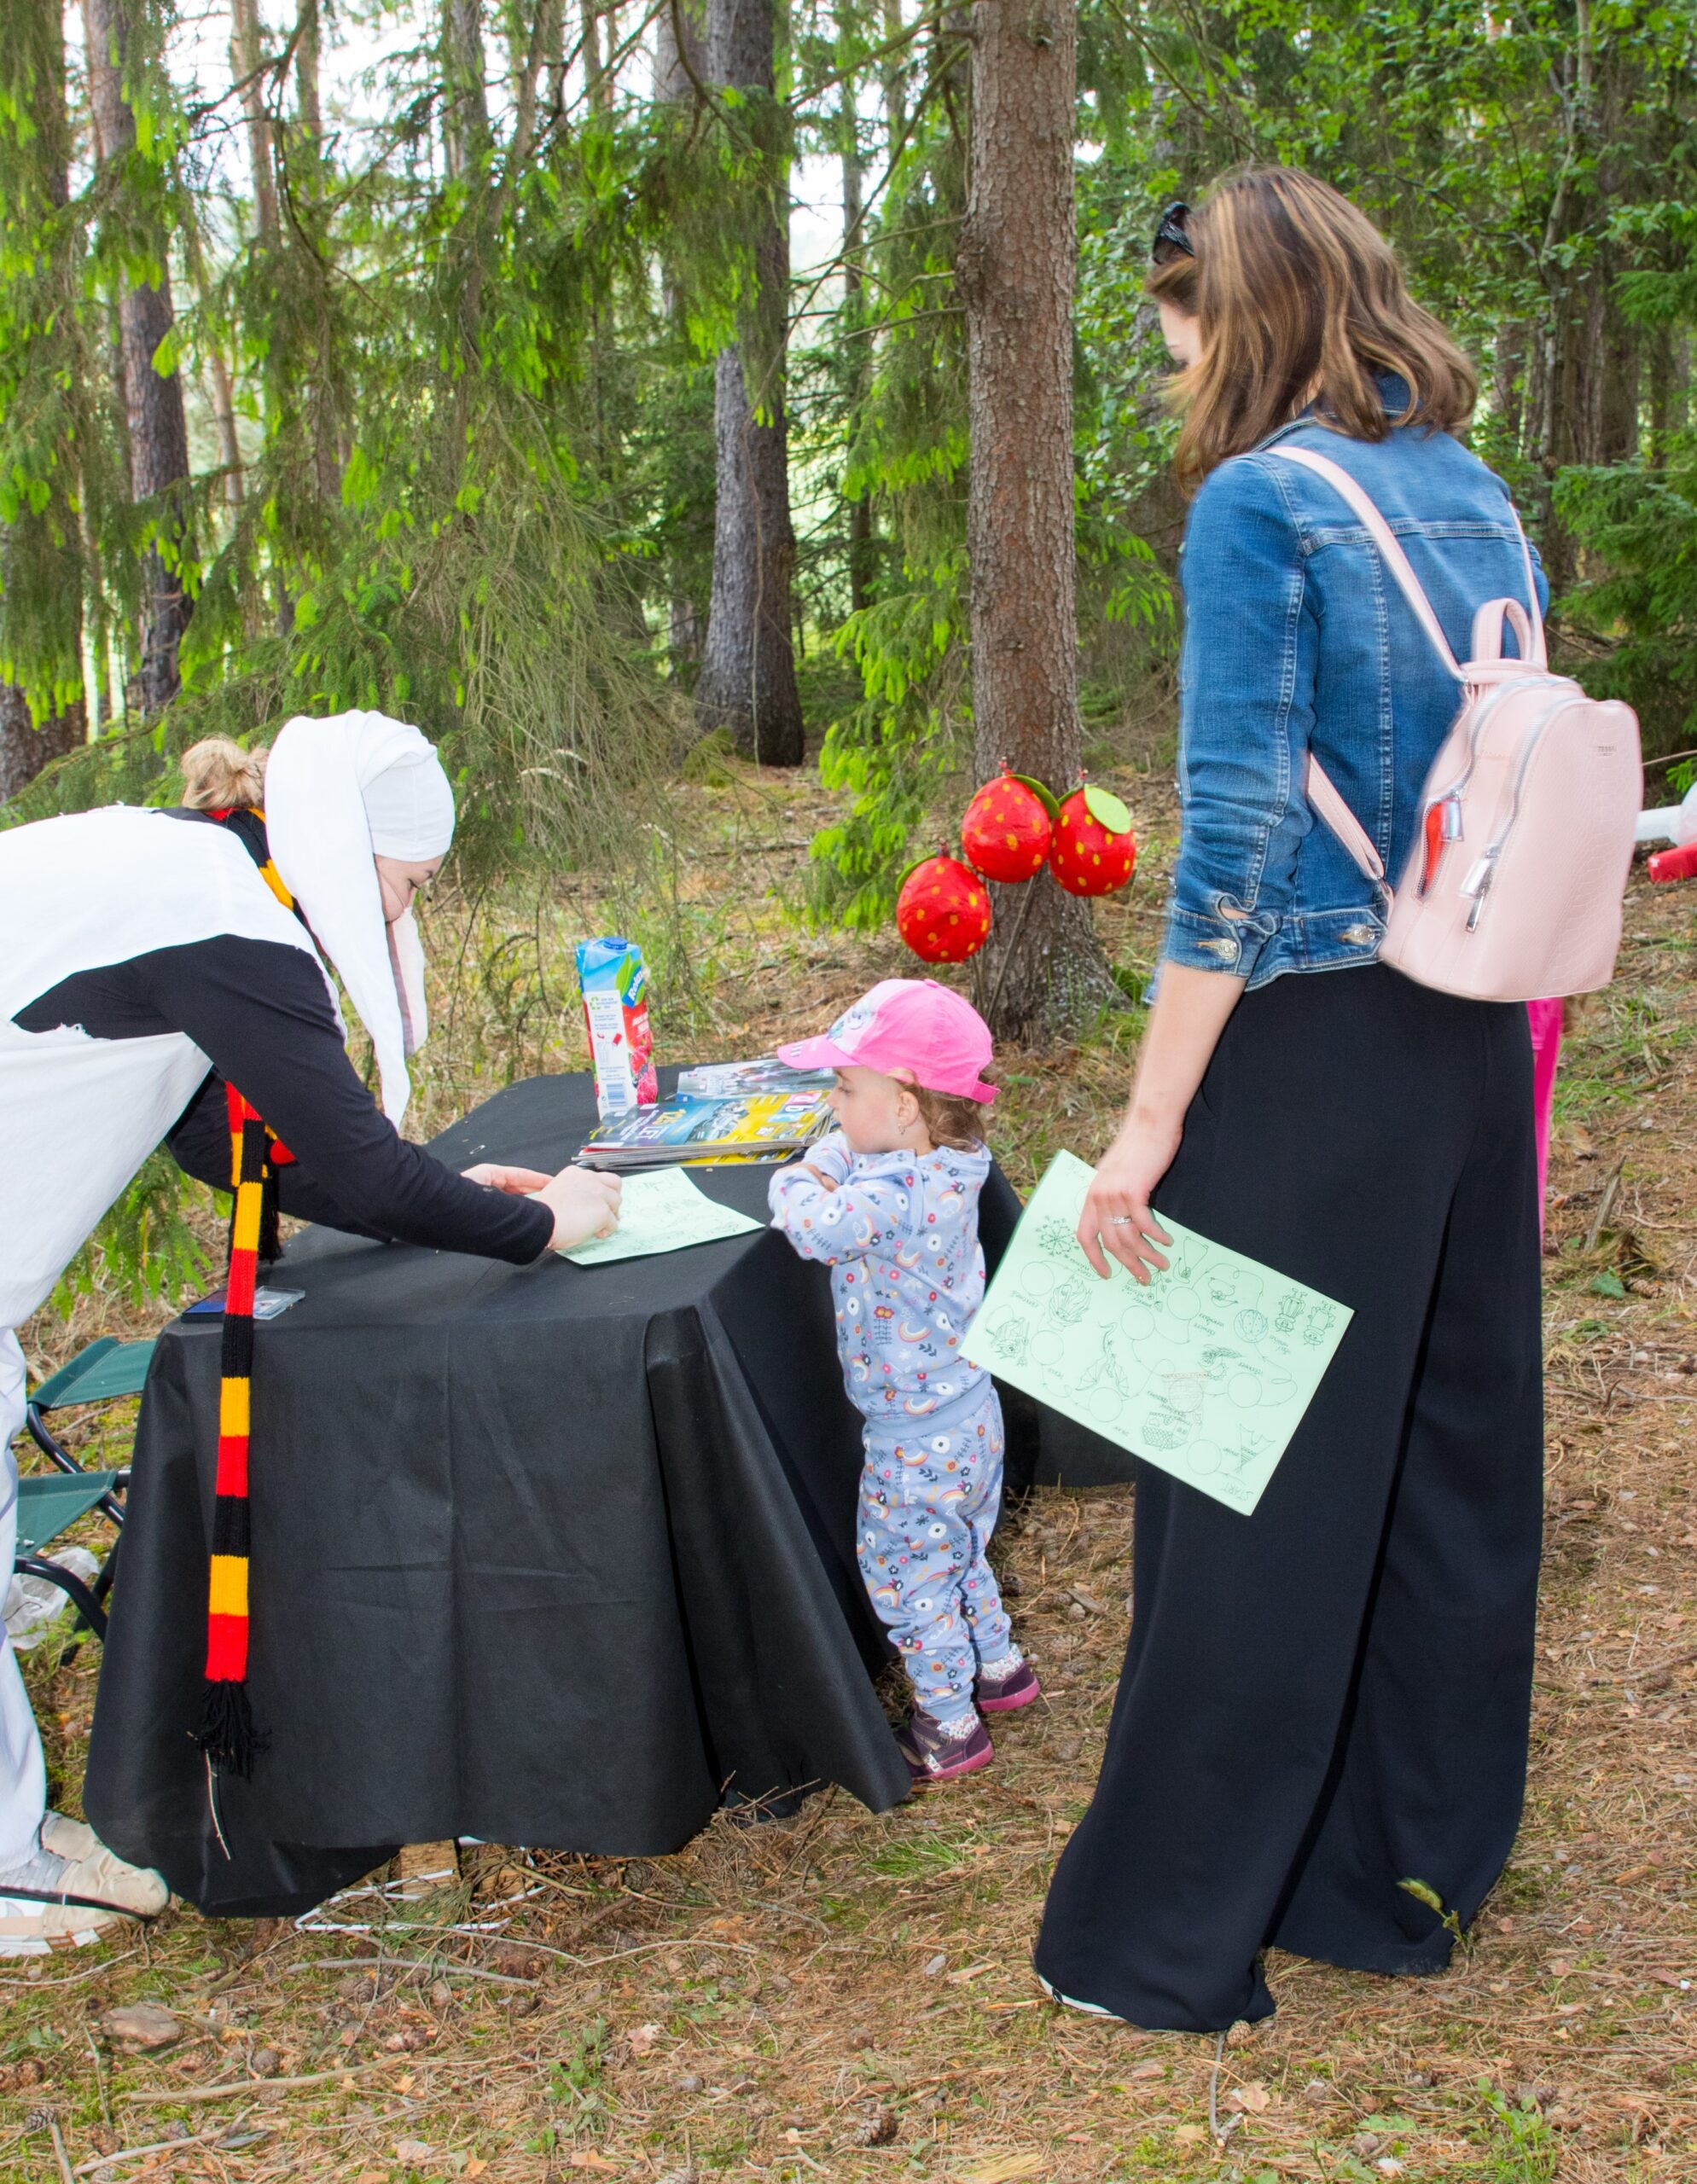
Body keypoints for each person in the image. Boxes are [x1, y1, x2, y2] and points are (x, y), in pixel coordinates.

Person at [1033, 171, 1546, 2030]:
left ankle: (1162, 1933)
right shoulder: (1467, 487)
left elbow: (1236, 844)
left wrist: (1147, 1121)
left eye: (1174, 326)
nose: (1168, 365)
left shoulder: (1260, 504)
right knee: (1441, 1462)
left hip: (1314, 1042)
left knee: (1237, 1481)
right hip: (1463, 1035)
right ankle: (1396, 1872)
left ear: (1231, 312)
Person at [0, 710, 619, 1950]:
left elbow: (219, 1146)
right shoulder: (225, 920)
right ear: (349, 843)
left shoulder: (189, 871)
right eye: (409, 883)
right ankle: (12, 1874)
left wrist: (451, 1203)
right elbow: (362, 1166)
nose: (403, 914)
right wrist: (541, 1226)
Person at [767, 981, 1037, 1784]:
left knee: (907, 1575)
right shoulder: (952, 1162)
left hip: (912, 1438)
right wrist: (842, 1150)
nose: (833, 1103)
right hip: (969, 1414)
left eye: (844, 1088)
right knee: (959, 1549)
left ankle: (949, 1725)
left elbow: (809, 1225)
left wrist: (800, 1171)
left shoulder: (888, 1196)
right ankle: (998, 1667)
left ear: (907, 1105)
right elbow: (861, 1158)